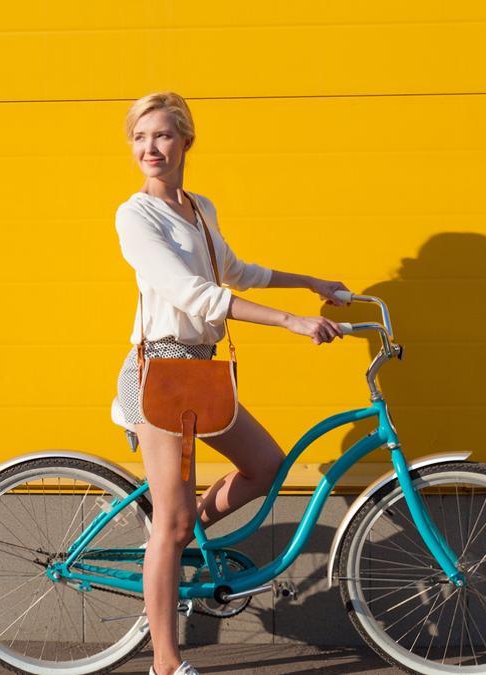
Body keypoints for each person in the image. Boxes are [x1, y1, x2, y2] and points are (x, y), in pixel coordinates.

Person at [112, 91, 351, 675]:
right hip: (159, 373)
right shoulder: (135, 215)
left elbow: (233, 271)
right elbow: (194, 294)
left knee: (266, 466)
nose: (150, 148)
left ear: (186, 141)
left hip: (200, 369)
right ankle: (166, 661)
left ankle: (171, 538)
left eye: (163, 135)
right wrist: (290, 322)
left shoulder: (199, 206)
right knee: (168, 524)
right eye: (140, 138)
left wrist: (307, 281)